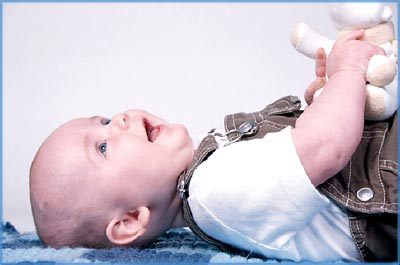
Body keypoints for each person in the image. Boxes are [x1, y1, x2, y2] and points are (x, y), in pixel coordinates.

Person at [29, 30, 397, 262]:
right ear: (129, 222)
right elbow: (324, 148)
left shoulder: (213, 173)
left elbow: (311, 143)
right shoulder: (212, 194)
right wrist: (347, 73)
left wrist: (324, 101)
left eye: (105, 120)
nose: (120, 119)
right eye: (103, 148)